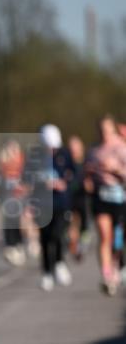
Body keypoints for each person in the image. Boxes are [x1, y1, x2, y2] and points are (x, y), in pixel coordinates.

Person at [26, 125, 74, 291]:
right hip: (42, 203)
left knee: (58, 234)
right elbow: (28, 179)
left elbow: (74, 174)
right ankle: (46, 272)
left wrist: (64, 183)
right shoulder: (35, 157)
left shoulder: (64, 154)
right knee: (45, 238)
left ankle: (59, 262)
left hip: (61, 202)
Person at [84, 115, 126, 296]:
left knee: (117, 241)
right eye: (101, 130)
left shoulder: (121, 148)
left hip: (118, 197)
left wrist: (115, 169)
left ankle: (116, 268)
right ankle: (106, 275)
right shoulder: (94, 151)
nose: (104, 133)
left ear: (113, 129)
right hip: (100, 198)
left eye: (107, 129)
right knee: (104, 236)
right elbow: (86, 173)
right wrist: (88, 180)